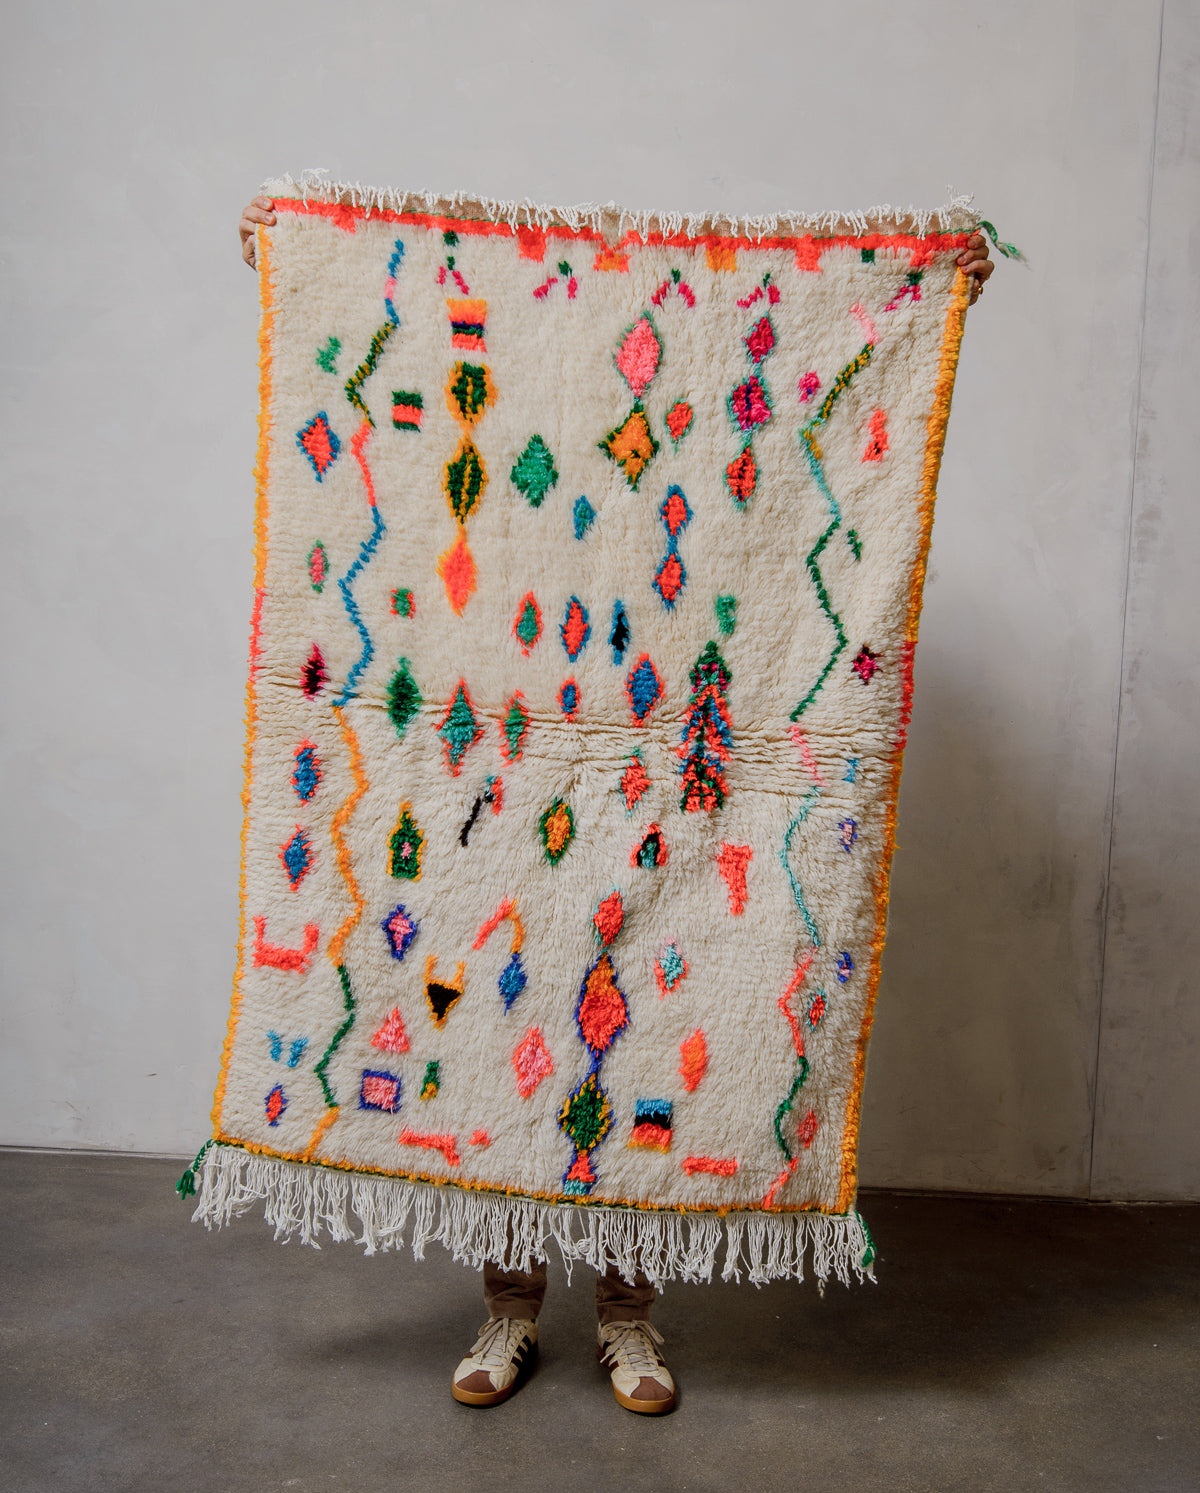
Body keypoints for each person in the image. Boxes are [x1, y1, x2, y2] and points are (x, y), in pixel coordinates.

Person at [236, 194, 995, 1414]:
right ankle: (508, 1312)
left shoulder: (696, 440)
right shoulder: (546, 435)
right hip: (526, 757)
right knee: (506, 1024)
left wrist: (926, 293)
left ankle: (630, 1324)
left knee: (652, 1024)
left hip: (680, 779)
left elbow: (791, 432)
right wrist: (300, 258)